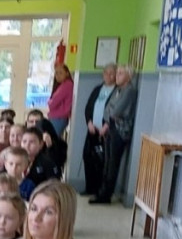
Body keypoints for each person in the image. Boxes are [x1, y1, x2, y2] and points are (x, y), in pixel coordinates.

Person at [91, 65, 138, 205]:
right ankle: (102, 192)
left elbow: (115, 111)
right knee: (107, 162)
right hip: (111, 127)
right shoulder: (118, 89)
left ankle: (106, 195)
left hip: (120, 130)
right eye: (117, 73)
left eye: (121, 73)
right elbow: (107, 110)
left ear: (129, 76)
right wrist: (111, 113)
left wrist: (112, 113)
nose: (117, 76)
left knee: (112, 164)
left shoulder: (130, 91)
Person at [82, 64, 117, 197]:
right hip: (92, 129)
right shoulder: (98, 89)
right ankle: (89, 187)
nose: (108, 76)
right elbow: (88, 107)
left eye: (112, 73)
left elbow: (114, 111)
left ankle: (99, 189)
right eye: (106, 73)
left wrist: (105, 126)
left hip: (105, 131)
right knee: (87, 155)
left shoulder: (116, 90)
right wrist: (89, 122)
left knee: (102, 160)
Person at [47, 64, 75, 136]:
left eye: (61, 73)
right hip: (58, 117)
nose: (58, 75)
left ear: (67, 73)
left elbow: (52, 104)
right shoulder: (62, 85)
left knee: (52, 141)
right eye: (56, 73)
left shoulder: (67, 85)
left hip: (58, 118)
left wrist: (50, 101)